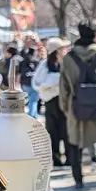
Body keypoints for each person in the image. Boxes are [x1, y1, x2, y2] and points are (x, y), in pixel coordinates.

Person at [60, 20, 96, 190]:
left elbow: (64, 87)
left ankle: (78, 180)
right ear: (95, 34)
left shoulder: (68, 58)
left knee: (75, 145)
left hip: (76, 107)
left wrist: (66, 108)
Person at [34, 38, 70, 167]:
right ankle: (56, 159)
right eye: (62, 49)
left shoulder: (67, 63)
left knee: (67, 130)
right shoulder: (45, 65)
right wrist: (54, 83)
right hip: (50, 101)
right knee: (53, 131)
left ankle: (70, 158)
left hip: (65, 101)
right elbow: (37, 83)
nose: (64, 51)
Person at [19, 35, 41, 117]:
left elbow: (19, 71)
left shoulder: (23, 60)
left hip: (25, 83)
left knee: (31, 100)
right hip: (34, 83)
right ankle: (32, 116)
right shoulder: (37, 61)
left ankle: (34, 115)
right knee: (33, 101)